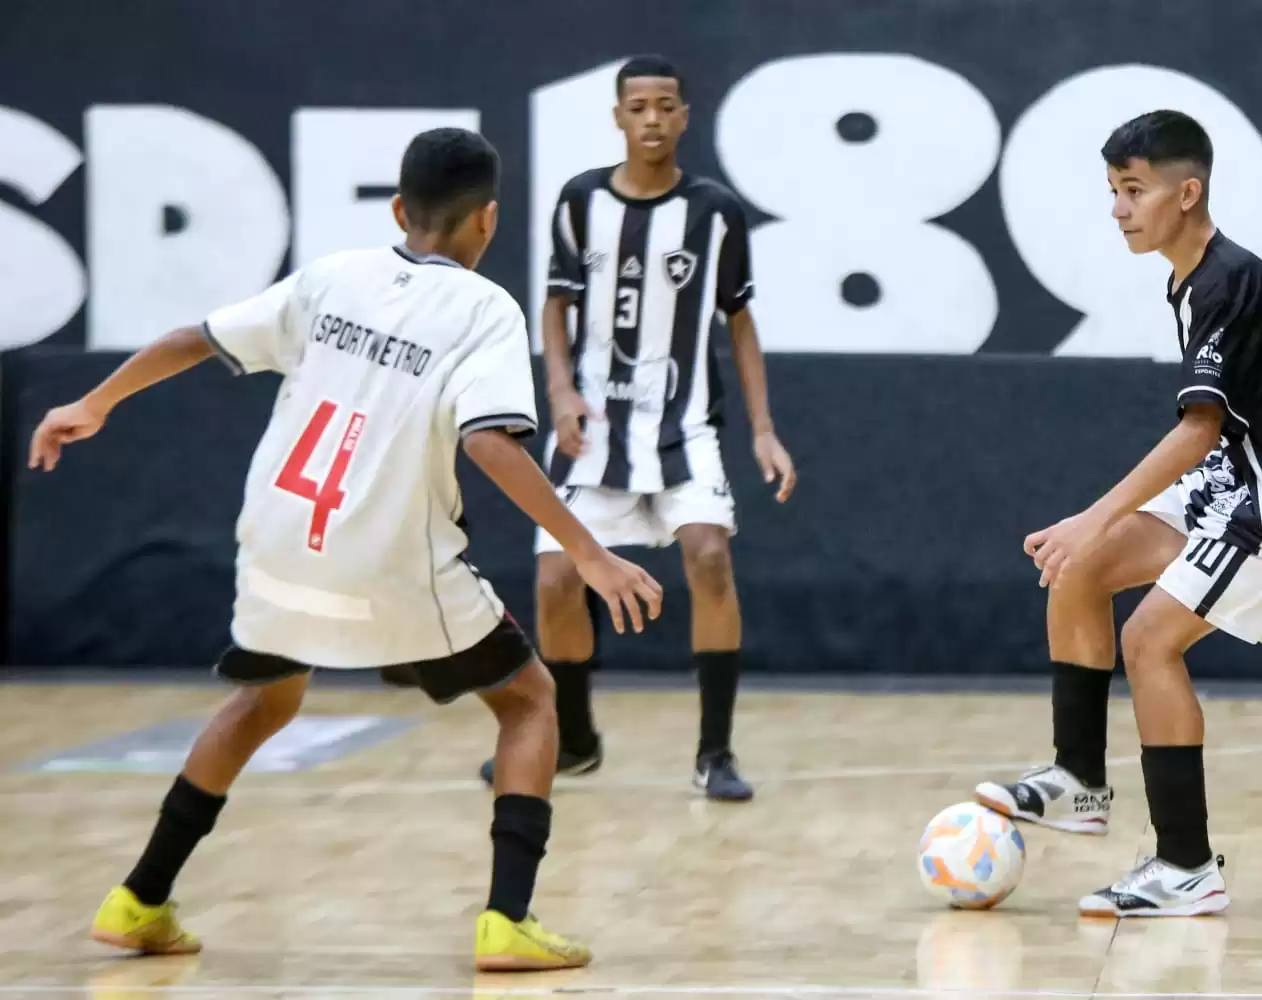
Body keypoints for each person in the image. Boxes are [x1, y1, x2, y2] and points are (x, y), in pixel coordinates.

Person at [29, 127, 664, 971]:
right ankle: (508, 920)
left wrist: (96, 401)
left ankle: (140, 897)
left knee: (263, 702)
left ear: (400, 210)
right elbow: (491, 444)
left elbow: (198, 338)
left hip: (277, 546)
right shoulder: (485, 310)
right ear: (489, 222)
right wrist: (591, 553)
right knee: (530, 701)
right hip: (389, 559)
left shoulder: (333, 276)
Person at [973, 110, 1262, 917]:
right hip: (1249, 475)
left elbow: (1197, 429)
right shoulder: (1213, 275)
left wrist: (1092, 514)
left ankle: (1185, 866)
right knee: (1082, 572)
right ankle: (1078, 781)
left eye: (1133, 190)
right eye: (1113, 191)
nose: (1118, 208)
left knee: (1147, 641)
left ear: (1188, 192)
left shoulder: (1223, 280)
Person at [477, 54, 796, 802]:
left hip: (684, 425)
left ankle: (714, 752)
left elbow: (740, 322)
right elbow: (554, 304)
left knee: (709, 556)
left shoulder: (715, 211)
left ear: (684, 116)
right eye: (639, 106)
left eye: (666, 106)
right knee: (556, 578)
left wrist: (763, 429)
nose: (652, 118)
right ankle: (575, 739)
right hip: (593, 425)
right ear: (618, 117)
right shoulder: (580, 201)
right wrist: (556, 390)